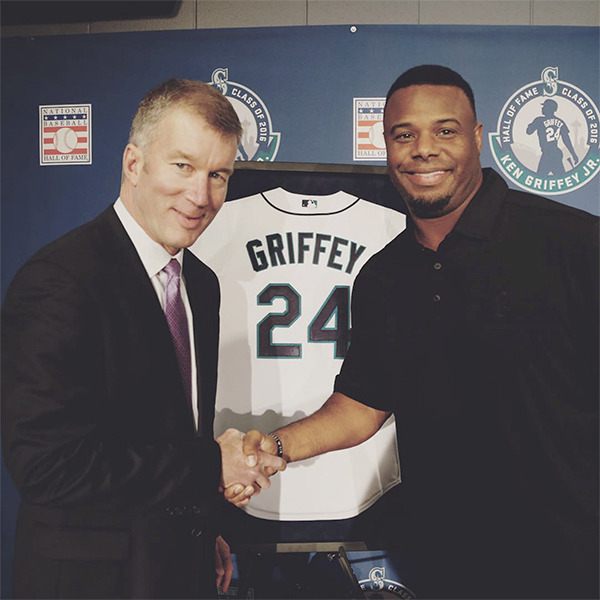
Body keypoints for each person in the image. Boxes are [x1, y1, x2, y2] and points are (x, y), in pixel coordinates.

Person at [232, 65, 599, 599]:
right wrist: (276, 448)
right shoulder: (384, 275)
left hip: (570, 563)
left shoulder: (573, 245)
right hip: (445, 565)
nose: (423, 149)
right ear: (386, 146)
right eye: (404, 135)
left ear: (477, 139)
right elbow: (360, 407)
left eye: (445, 131)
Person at [1, 78, 284, 599]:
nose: (201, 196)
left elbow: (170, 434)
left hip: (180, 568)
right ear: (134, 164)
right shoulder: (59, 281)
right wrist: (210, 467)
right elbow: (47, 467)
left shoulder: (202, 284)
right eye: (183, 166)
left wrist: (204, 526)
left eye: (217, 174)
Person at [526, 97, 579, 176]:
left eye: (544, 106)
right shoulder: (560, 121)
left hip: (548, 154)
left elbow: (529, 131)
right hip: (556, 153)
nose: (542, 108)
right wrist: (573, 154)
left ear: (549, 108)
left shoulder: (539, 120)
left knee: (540, 178)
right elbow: (566, 140)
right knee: (560, 178)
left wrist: (531, 124)